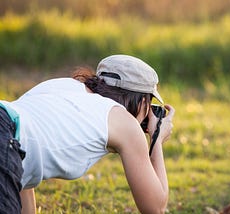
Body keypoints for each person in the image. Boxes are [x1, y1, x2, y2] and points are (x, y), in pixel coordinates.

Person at [0, 54, 175, 214]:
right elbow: (155, 207)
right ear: (141, 101)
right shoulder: (126, 123)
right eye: (149, 102)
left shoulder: (61, 85)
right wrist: (156, 140)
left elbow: (23, 158)